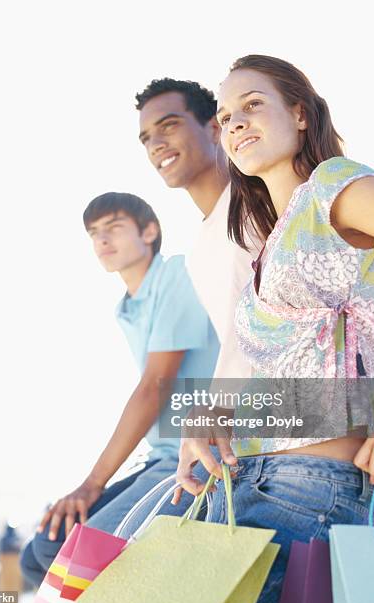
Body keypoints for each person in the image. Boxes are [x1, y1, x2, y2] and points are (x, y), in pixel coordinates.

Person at [175, 55, 374, 603]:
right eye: (226, 115)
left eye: (253, 104)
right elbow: (314, 374)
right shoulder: (274, 237)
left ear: (300, 114)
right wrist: (211, 418)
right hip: (240, 486)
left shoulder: (337, 185)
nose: (235, 123)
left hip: (308, 489)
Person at [20, 192, 219, 587]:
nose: (102, 241)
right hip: (158, 454)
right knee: (35, 556)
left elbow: (153, 388)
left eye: (113, 228)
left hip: (193, 451)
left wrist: (92, 484)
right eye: (94, 233)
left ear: (149, 232)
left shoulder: (175, 273)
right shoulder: (126, 307)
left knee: (65, 556)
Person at [136, 78, 259, 381]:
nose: (156, 145)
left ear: (215, 129)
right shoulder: (197, 255)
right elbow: (238, 352)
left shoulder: (265, 199)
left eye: (169, 126)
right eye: (146, 138)